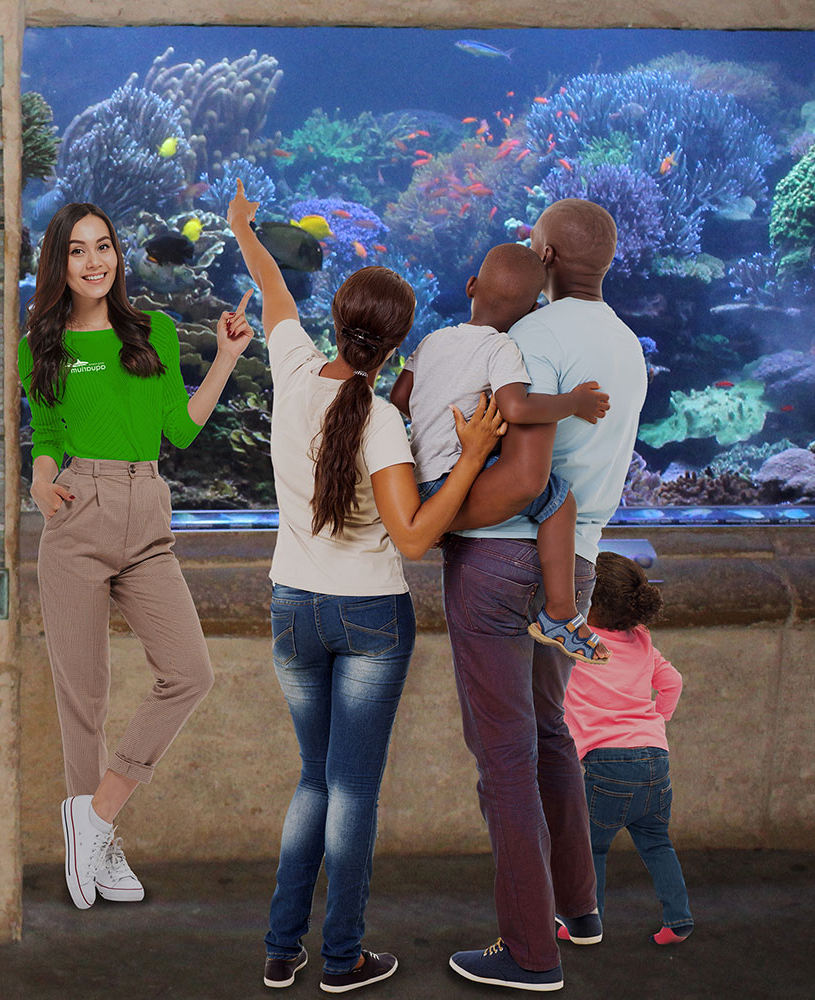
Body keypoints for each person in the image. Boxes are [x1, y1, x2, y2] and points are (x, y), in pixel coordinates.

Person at [224, 180, 509, 993]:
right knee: (351, 792)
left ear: (339, 319)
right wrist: (476, 453)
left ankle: (283, 949)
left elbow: (274, 287)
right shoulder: (381, 422)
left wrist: (245, 227)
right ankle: (343, 959)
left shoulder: (290, 367)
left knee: (313, 780)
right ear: (397, 346)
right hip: (368, 620)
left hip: (291, 610)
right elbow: (416, 538)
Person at [21, 201, 253, 911]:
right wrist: (39, 475)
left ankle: (95, 817)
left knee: (188, 672)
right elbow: (49, 428)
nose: (96, 262)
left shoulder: (147, 329)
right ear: (59, 264)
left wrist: (226, 358)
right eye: (79, 252)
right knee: (82, 695)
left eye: (105, 248)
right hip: (77, 511)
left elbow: (179, 431)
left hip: (147, 512)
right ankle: (92, 828)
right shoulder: (44, 341)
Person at [441, 199, 648, 992]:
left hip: (502, 561)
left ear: (549, 257)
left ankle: (529, 951)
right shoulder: (628, 346)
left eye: (533, 243)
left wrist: (440, 520)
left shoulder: (529, 338)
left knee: (504, 758)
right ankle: (579, 909)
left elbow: (524, 475)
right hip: (583, 563)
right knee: (550, 733)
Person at [387, 243, 612, 664]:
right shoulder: (502, 348)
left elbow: (401, 395)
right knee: (559, 501)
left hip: (422, 481)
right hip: (458, 475)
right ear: (531, 312)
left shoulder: (434, 339)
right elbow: (516, 409)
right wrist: (573, 403)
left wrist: (437, 415)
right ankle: (560, 614)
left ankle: (442, 524)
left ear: (471, 286)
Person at [562, 551, 693, 945]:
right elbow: (673, 683)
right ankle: (679, 920)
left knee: (591, 849)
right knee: (657, 843)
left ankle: (585, 923)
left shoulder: (577, 642)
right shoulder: (642, 641)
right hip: (656, 760)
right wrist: (658, 721)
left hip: (607, 766)